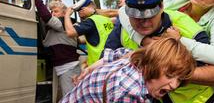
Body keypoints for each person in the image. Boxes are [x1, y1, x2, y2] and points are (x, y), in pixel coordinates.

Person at [60, 37, 196, 102]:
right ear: (153, 63)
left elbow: (116, 55)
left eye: (179, 79)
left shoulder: (134, 58)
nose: (174, 85)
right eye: (169, 74)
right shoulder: (130, 92)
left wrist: (89, 70)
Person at [32, 0, 81, 97]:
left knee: (70, 98)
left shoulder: (61, 23)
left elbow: (45, 16)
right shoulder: (67, 22)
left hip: (68, 69)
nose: (53, 14)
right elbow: (65, 11)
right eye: (51, 11)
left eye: (55, 11)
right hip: (65, 68)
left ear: (64, 14)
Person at [64, 0, 114, 67]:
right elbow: (99, 37)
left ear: (91, 6)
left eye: (81, 9)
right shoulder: (106, 19)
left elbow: (70, 32)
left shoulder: (90, 21)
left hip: (98, 64)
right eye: (78, 11)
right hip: (110, 60)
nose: (79, 13)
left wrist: (66, 15)